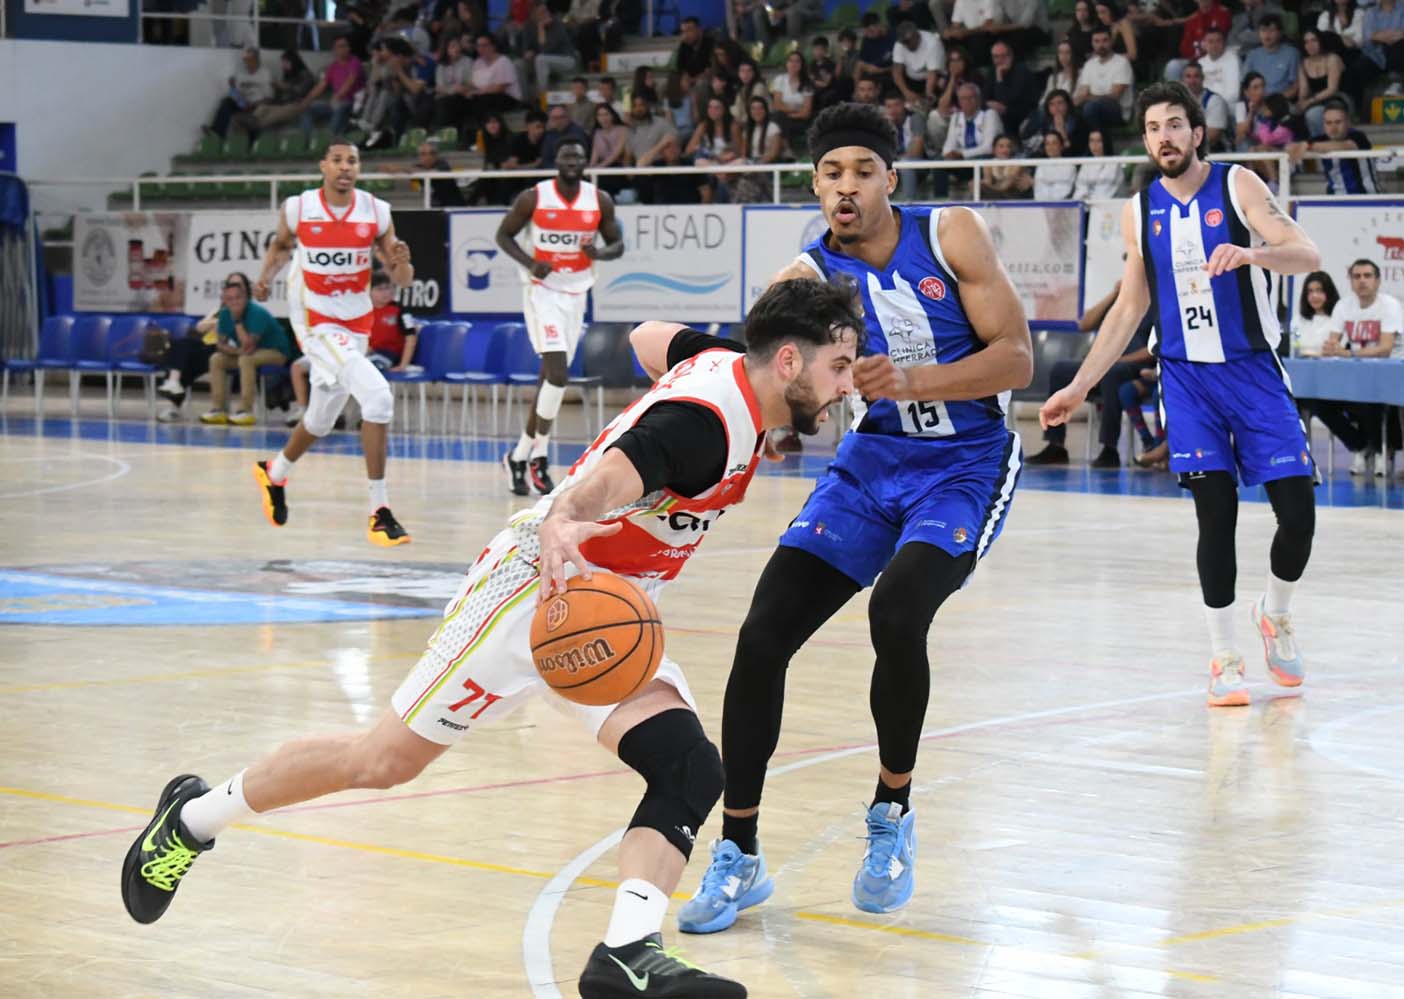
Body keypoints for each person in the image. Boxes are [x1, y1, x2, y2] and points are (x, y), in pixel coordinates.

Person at [120, 277, 865, 999]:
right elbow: (615, 472)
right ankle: (188, 819)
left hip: (604, 610)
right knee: (380, 761)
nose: (846, 386)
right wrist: (567, 513)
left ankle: (628, 953)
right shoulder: (708, 427)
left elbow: (647, 339)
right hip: (532, 592)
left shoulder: (724, 363)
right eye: (837, 367)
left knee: (690, 768)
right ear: (791, 362)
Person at [679, 101, 1033, 931]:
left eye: (862, 172)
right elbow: (756, 363)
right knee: (762, 634)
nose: (847, 187)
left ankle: (893, 813)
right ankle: (741, 850)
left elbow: (1018, 356)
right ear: (813, 183)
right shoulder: (806, 277)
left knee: (898, 611)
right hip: (872, 463)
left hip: (965, 461)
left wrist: (909, 380)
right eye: (832, 174)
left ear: (890, 178)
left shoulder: (951, 235)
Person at [1040, 81, 1321, 708]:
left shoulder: (1240, 184)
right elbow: (1129, 308)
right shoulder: (1138, 210)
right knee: (1214, 517)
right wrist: (1080, 384)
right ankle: (1223, 658)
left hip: (1254, 372)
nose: (1163, 136)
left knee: (1298, 516)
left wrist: (1252, 253)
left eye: (1174, 125)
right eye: (1152, 128)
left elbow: (1306, 253)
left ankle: (1275, 613)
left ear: (1198, 133)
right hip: (1187, 380)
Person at [249, 141, 415, 546]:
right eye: (337, 160)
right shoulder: (299, 207)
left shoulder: (375, 212)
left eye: (352, 161)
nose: (345, 167)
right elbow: (281, 246)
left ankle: (274, 473)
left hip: (356, 321)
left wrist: (402, 262)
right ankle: (380, 511)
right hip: (315, 319)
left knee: (321, 419)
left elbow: (402, 280)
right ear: (323, 165)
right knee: (377, 398)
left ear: (359, 169)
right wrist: (266, 276)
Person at [496, 139, 625, 496]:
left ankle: (519, 455)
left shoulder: (598, 200)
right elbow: (503, 235)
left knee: (550, 380)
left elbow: (618, 244)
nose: (573, 162)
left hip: (577, 293)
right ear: (557, 161)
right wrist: (529, 262)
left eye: (578, 158)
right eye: (567, 157)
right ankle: (539, 456)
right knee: (558, 372)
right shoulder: (534, 197)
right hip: (543, 291)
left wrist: (600, 251)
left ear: (585, 163)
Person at [1030, 280, 1155, 465]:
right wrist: (1113, 295)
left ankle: (1109, 449)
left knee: (1112, 374)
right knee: (1060, 370)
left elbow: (1153, 348)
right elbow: (1084, 324)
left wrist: (1111, 362)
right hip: (1107, 365)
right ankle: (1055, 445)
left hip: (1134, 367)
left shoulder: (1155, 304)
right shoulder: (1120, 301)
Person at [1316, 258, 1404, 476]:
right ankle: (1359, 445)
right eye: (1356, 276)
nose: (1362, 281)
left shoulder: (1390, 306)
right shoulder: (1343, 306)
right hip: (1356, 375)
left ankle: (1379, 451)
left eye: (1367, 276)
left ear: (1378, 281)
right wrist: (1332, 348)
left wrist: (1347, 352)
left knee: (1368, 397)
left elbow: (1385, 349)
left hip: (1391, 375)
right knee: (1320, 403)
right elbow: (1332, 344)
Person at [201, 273, 293, 426]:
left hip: (276, 352)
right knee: (216, 359)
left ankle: (245, 410)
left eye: (237, 298)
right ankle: (218, 409)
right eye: (229, 299)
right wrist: (236, 351)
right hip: (245, 353)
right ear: (224, 300)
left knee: (246, 359)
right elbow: (221, 345)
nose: (234, 302)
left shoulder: (257, 313)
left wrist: (237, 321)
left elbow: (248, 345)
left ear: (245, 297)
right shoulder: (224, 314)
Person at [156, 274, 250, 421]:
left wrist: (217, 323)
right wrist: (217, 321)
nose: (234, 289)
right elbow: (200, 327)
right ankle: (173, 385)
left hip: (227, 348)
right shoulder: (219, 309)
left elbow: (232, 329)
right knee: (180, 346)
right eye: (230, 285)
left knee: (187, 360)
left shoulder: (249, 309)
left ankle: (174, 401)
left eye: (238, 285)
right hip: (207, 344)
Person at [206, 45, 273, 140]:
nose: (247, 63)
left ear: (256, 60)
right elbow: (235, 94)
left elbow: (269, 98)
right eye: (246, 60)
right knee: (226, 102)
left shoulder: (264, 74)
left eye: (250, 60)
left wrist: (253, 104)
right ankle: (217, 133)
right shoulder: (241, 74)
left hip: (257, 106)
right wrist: (233, 88)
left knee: (252, 119)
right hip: (243, 104)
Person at [1075, 26, 1134, 130]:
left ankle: (1098, 141)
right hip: (1093, 108)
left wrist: (1087, 97)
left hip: (1118, 111)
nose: (1101, 45)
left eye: (1104, 40)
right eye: (1096, 41)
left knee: (1090, 107)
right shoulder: (1089, 64)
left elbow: (1114, 96)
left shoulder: (1122, 62)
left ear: (1111, 42)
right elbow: (1082, 93)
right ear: (1092, 43)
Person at [1296, 29, 1346, 141]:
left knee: (1313, 114)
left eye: (1314, 40)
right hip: (1315, 102)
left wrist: (1308, 102)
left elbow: (1332, 89)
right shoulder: (1303, 63)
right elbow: (1304, 91)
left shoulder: (1332, 59)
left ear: (1321, 42)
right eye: (1306, 42)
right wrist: (1300, 105)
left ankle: (1322, 143)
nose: (1310, 45)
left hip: (1337, 99)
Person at [1243, 14, 1300, 100]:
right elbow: (1245, 85)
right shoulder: (1252, 55)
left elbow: (1296, 86)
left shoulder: (1292, 53)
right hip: (1256, 102)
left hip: (1281, 102)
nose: (1267, 34)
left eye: (1272, 30)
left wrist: (1276, 101)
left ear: (1280, 33)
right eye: (1263, 30)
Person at [892, 20, 946, 108]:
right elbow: (897, 71)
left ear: (917, 35)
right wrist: (906, 92)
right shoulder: (900, 44)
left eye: (908, 42)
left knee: (938, 87)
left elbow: (932, 73)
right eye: (903, 43)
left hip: (933, 78)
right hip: (912, 79)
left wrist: (928, 96)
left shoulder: (932, 43)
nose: (906, 45)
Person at [1291, 269, 1339, 357]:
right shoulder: (1298, 319)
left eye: (1319, 290)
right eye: (1310, 291)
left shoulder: (1338, 319)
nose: (1314, 296)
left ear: (1329, 292)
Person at [1073, 128, 1123, 198]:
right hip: (1087, 203)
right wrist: (1084, 196)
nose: (1094, 144)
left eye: (1098, 141)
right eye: (1091, 141)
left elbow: (1107, 190)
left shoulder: (1114, 163)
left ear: (1105, 142)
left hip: (1107, 205)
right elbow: (1080, 186)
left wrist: (1090, 198)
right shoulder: (1086, 163)